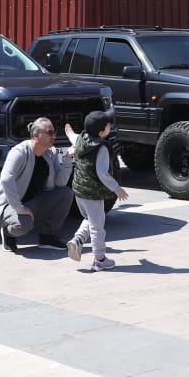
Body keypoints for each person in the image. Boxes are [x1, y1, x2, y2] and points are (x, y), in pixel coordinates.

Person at [0, 117, 75, 252]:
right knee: (23, 224)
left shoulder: (50, 152)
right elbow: (6, 179)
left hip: (32, 203)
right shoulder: (19, 152)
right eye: (50, 132)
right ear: (36, 135)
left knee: (65, 193)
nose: (54, 136)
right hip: (9, 205)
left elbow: (60, 182)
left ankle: (47, 237)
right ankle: (7, 232)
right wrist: (19, 208)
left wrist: (67, 159)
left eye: (54, 132)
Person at [66, 111, 129, 271]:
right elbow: (102, 173)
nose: (110, 126)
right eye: (108, 125)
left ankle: (78, 239)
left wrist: (70, 133)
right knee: (97, 226)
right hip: (93, 193)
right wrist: (117, 188)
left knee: (90, 218)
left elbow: (73, 138)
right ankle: (99, 259)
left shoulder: (82, 139)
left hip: (79, 190)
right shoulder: (101, 148)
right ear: (102, 131)